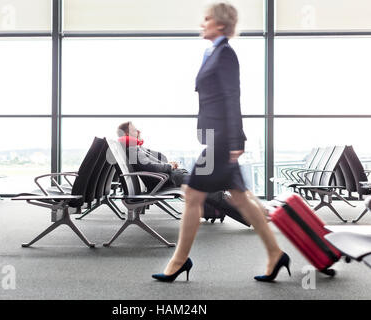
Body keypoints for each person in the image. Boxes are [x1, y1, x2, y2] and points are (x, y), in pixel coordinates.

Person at [152, 3, 290, 283]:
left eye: (207, 19)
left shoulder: (225, 54)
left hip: (220, 140)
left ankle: (179, 260)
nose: (202, 24)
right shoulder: (213, 52)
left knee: (192, 194)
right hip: (217, 137)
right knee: (240, 198)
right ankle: (275, 254)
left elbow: (231, 97)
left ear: (220, 25)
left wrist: (236, 139)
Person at [116, 121, 189, 192]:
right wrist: (170, 166)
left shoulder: (133, 148)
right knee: (197, 182)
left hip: (165, 178)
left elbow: (149, 161)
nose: (139, 132)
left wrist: (168, 164)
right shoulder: (132, 149)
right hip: (164, 181)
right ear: (127, 134)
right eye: (135, 130)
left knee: (196, 180)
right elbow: (149, 166)